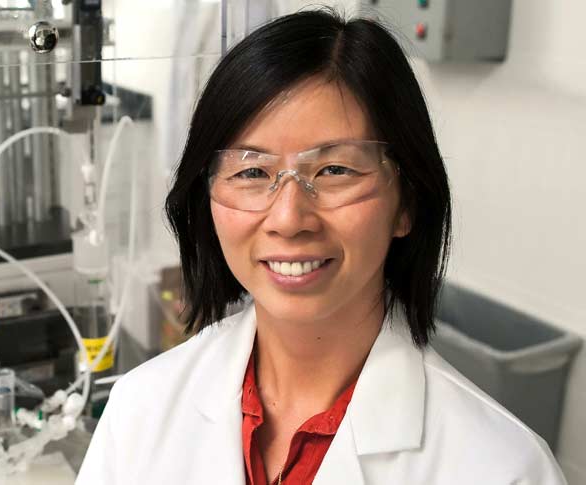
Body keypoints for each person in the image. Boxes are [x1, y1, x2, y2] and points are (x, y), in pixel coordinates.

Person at [76, 9, 566, 485]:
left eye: (335, 171)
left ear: (406, 203)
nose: (289, 219)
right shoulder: (140, 411)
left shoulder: (503, 468)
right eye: (252, 171)